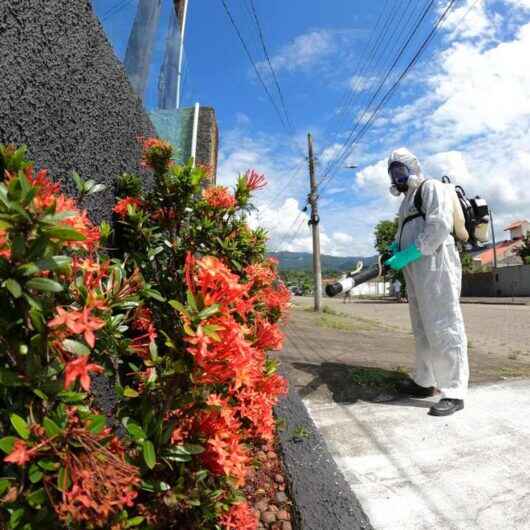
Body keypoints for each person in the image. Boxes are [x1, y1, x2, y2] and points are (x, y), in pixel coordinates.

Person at [384, 148, 469, 417]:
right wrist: (394, 250)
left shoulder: (431, 187)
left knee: (444, 325)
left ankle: (454, 392)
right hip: (415, 270)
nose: (396, 177)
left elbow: (439, 226)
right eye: (392, 172)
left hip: (436, 265)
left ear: (412, 168)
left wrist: (409, 253)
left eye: (399, 170)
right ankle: (424, 381)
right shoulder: (405, 203)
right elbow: (404, 234)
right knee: (422, 327)